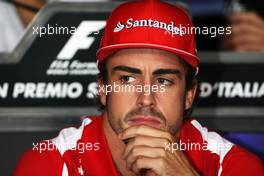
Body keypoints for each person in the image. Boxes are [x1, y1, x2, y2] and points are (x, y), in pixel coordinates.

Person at [13, 0, 263, 175]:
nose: (146, 98)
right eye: (127, 79)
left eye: (163, 80)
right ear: (103, 88)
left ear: (189, 94)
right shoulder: (50, 164)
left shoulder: (231, 166)